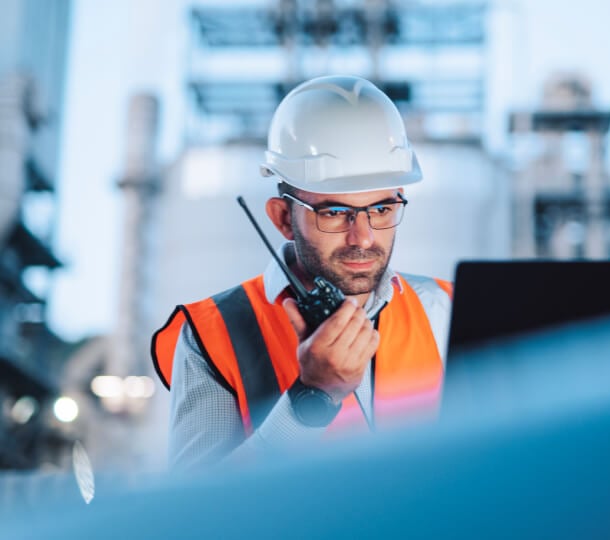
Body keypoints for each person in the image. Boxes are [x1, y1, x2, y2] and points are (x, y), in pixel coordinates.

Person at [151, 75, 452, 468]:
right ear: (283, 219)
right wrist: (311, 399)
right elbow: (193, 518)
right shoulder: (213, 333)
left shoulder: (446, 308)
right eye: (334, 213)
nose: (362, 238)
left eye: (381, 210)